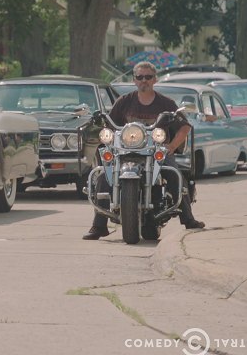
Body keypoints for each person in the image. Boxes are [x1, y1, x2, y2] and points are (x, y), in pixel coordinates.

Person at [83, 61, 206, 240]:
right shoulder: (124, 102)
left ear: (155, 79)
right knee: (103, 175)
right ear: (134, 80)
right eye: (139, 77)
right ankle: (99, 225)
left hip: (156, 152)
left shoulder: (165, 103)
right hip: (126, 152)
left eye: (148, 77)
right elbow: (111, 124)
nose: (144, 81)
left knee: (174, 174)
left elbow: (185, 126)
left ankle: (188, 218)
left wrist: (171, 147)